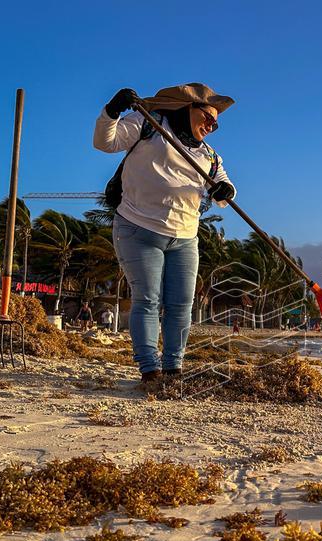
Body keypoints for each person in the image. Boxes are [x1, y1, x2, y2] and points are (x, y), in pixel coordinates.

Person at [94, 83, 236, 383]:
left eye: (217, 123)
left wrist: (226, 189)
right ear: (186, 109)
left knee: (181, 304)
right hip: (137, 228)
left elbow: (224, 192)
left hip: (185, 238)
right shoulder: (148, 124)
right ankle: (150, 369)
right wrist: (112, 110)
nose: (212, 125)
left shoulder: (210, 156)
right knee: (147, 299)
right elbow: (105, 143)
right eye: (208, 117)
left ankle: (174, 368)